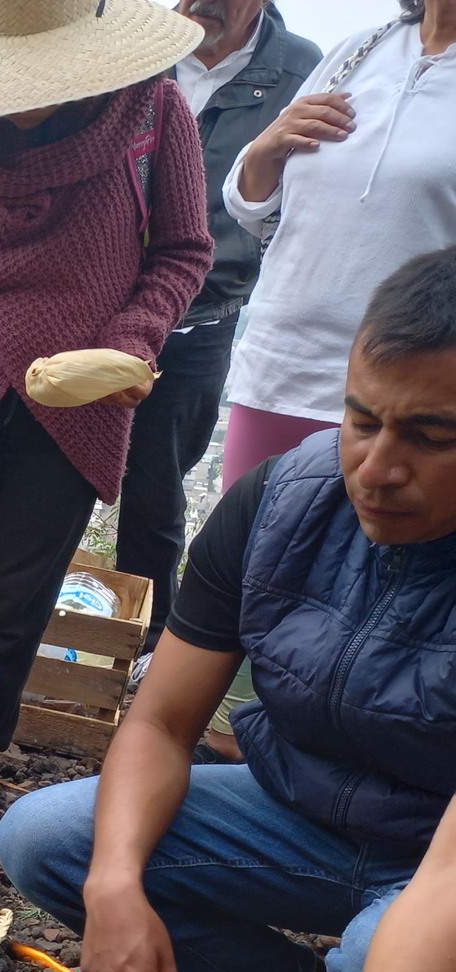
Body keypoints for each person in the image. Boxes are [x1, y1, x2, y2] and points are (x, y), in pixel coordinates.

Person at [0, 248, 456, 972]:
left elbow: (446, 883)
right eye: (361, 418)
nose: (377, 468)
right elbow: (159, 723)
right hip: (308, 815)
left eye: (430, 437)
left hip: (435, 866)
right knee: (49, 837)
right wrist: (115, 887)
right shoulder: (281, 505)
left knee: (385, 954)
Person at [0, 0, 212, 837]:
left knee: (14, 599)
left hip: (78, 403)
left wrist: (128, 345)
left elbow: (183, 250)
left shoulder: (152, 114)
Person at [113, 0, 319, 666]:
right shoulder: (138, 47)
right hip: (99, 308)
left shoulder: (301, 72)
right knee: (51, 471)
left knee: (154, 491)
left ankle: (147, 652)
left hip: (200, 316)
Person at [218, 1, 456, 493]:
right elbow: (257, 203)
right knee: (247, 557)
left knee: (380, 566)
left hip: (407, 394)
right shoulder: (359, 50)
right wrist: (265, 149)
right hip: (282, 365)